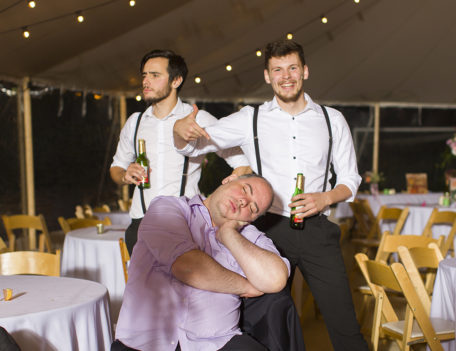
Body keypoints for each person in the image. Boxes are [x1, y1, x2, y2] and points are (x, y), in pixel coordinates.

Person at [173, 39, 368, 350]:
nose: (286, 76)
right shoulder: (251, 118)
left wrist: (325, 198)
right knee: (267, 318)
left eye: (292, 68)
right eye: (277, 70)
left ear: (304, 71)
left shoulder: (332, 120)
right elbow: (197, 144)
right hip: (267, 231)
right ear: (267, 76)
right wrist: (179, 132)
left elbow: (350, 179)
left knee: (344, 324)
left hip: (318, 231)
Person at [113, 174, 290, 351]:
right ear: (228, 179)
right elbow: (188, 268)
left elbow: (275, 279)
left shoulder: (248, 236)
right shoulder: (169, 207)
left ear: (251, 220)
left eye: (252, 208)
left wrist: (229, 235)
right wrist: (245, 286)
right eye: (245, 189)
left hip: (217, 342)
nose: (244, 202)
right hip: (145, 342)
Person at [110, 49, 251, 254]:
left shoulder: (197, 118)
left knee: (186, 286)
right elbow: (116, 167)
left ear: (176, 80)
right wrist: (124, 175)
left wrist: (226, 195)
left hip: (185, 223)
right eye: (144, 75)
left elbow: (241, 161)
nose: (146, 81)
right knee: (143, 286)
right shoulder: (135, 122)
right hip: (141, 222)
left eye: (155, 75)